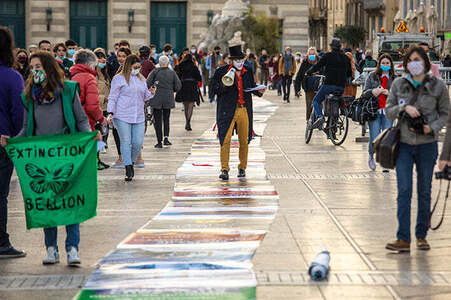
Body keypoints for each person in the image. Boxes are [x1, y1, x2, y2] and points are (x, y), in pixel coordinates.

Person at [11, 51, 99, 265]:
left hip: (67, 156)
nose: (34, 71)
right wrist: (13, 142)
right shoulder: (30, 96)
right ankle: (51, 248)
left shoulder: (68, 91)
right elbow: (26, 127)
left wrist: (89, 138)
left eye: (38, 67)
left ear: (49, 68)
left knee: (71, 202)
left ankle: (72, 248)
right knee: (46, 204)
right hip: (42, 158)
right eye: (32, 68)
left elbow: (80, 120)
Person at [385, 46, 449, 252]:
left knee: (424, 191)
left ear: (426, 63)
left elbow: (445, 113)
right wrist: (404, 108)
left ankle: (421, 235)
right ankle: (403, 238)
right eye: (410, 60)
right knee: (403, 191)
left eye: (418, 60)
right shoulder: (398, 84)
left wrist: (433, 126)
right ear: (406, 64)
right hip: (403, 144)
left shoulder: (438, 86)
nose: (414, 63)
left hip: (427, 145)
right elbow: (388, 111)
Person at [211, 44, 266, 181]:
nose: (240, 63)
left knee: (244, 140)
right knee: (225, 139)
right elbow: (213, 89)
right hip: (227, 110)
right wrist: (224, 86)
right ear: (231, 61)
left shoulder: (247, 71)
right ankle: (224, 169)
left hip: (244, 109)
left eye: (242, 61)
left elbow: (251, 88)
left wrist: (259, 92)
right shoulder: (221, 71)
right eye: (238, 61)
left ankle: (242, 167)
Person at [0, 26, 26, 259]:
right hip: (3, 141)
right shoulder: (11, 77)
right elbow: (19, 114)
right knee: (0, 194)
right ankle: (1, 241)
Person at [107, 55, 155, 181]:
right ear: (129, 66)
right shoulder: (118, 79)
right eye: (135, 67)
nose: (137, 69)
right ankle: (128, 166)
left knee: (137, 143)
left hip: (138, 115)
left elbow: (144, 96)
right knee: (126, 141)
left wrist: (151, 93)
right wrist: (110, 111)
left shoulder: (141, 79)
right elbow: (113, 96)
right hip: (122, 115)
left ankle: (131, 161)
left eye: (139, 67)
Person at [69, 49, 109, 170]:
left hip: (71, 119)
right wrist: (101, 118)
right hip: (86, 120)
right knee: (89, 152)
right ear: (89, 64)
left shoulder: (70, 75)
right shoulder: (89, 78)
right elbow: (92, 106)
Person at [307, 38, 352, 127]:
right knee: (337, 100)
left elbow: (317, 66)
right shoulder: (346, 58)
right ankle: (333, 125)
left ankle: (320, 117)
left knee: (316, 100)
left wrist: (308, 72)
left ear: (331, 47)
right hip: (341, 87)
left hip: (329, 85)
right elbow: (349, 73)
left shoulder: (327, 56)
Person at [363, 53, 396, 172]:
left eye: (387, 63)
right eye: (383, 63)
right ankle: (371, 155)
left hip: (388, 111)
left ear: (391, 65)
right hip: (374, 111)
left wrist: (390, 93)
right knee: (374, 136)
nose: (385, 65)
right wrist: (374, 91)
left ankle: (385, 162)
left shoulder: (395, 78)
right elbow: (364, 93)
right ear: (379, 64)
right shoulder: (372, 76)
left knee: (387, 138)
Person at [147, 56, 181, 148]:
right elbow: (178, 86)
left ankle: (159, 141)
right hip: (168, 98)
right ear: (168, 63)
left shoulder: (154, 72)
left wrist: (153, 88)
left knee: (157, 120)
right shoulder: (172, 73)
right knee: (166, 119)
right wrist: (171, 90)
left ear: (159, 63)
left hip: (156, 98)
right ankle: (166, 138)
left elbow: (147, 83)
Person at [109, 47, 132, 168]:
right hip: (119, 107)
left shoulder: (133, 70)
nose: (121, 59)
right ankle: (121, 157)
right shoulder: (116, 69)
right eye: (119, 56)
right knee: (117, 132)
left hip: (129, 107)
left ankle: (130, 158)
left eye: (124, 56)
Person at [175, 53, 202, 131]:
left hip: (183, 86)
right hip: (192, 86)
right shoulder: (194, 67)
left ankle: (186, 120)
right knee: (191, 105)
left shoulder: (180, 66)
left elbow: (177, 76)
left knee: (185, 105)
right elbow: (199, 78)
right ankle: (188, 121)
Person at [294, 47, 320, 120]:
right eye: (310, 54)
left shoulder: (320, 61)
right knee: (309, 105)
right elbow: (299, 77)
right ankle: (309, 120)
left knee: (318, 104)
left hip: (318, 87)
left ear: (316, 54)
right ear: (308, 54)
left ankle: (318, 119)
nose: (312, 56)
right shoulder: (305, 63)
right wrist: (297, 90)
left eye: (313, 54)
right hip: (308, 88)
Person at [94, 48, 111, 152]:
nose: (102, 60)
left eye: (104, 58)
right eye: (99, 58)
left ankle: (103, 144)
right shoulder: (93, 75)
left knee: (105, 126)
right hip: (97, 105)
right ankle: (99, 147)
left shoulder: (105, 74)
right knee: (98, 127)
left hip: (106, 106)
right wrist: (103, 98)